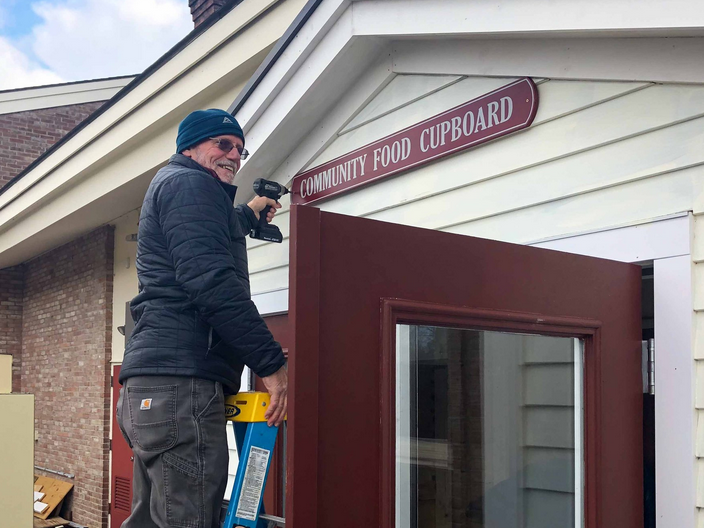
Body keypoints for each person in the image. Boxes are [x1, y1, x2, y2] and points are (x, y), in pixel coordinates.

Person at [116, 109, 288, 528]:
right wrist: (271, 363)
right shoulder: (190, 184)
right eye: (223, 144)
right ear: (189, 146)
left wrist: (248, 214)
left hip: (156, 385)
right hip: (182, 385)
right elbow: (210, 280)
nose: (234, 156)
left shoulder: (180, 186)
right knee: (189, 520)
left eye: (241, 150)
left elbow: (204, 237)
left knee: (154, 520)